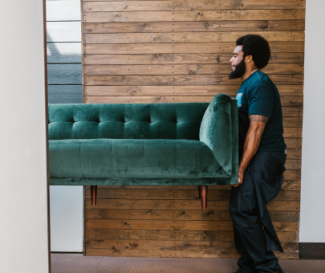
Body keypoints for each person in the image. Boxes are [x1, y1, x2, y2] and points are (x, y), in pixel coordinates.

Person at [229, 35, 287, 273]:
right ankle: (248, 266)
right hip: (254, 155)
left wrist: (241, 168)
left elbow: (257, 128)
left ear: (248, 58)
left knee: (244, 208)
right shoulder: (246, 84)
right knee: (241, 209)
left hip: (264, 155)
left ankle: (268, 269)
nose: (231, 60)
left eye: (235, 55)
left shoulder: (260, 84)